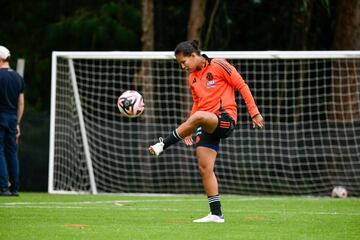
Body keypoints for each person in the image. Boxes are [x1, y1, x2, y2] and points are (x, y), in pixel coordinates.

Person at [149, 40, 264, 223]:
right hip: (205, 121)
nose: (182, 67)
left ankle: (163, 144)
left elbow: (241, 85)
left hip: (225, 119)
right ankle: (216, 214)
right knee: (204, 167)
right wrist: (188, 128)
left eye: (183, 62)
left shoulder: (219, 65)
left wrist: (254, 112)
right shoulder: (192, 77)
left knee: (199, 117)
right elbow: (197, 104)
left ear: (193, 55)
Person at [0, 45, 25, 196]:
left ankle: (3, 187)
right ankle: (15, 188)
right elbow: (21, 103)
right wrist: (17, 123)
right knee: (11, 152)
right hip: (12, 118)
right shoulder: (18, 77)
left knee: (0, 151)